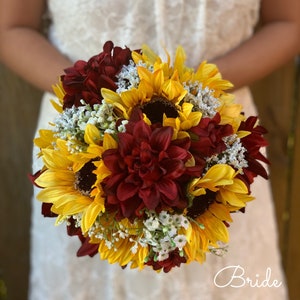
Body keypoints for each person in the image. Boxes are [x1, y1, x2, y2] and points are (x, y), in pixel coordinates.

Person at [0, 0, 299, 299]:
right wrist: (96, 104)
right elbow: (11, 27)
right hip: (83, 145)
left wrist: (193, 95)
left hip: (216, 139)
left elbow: (289, 22)